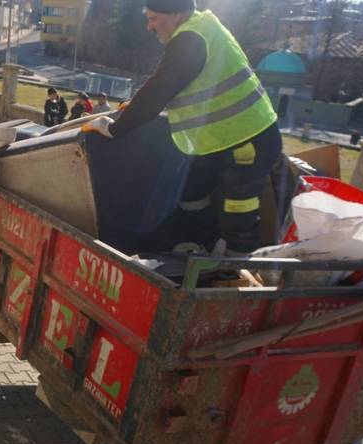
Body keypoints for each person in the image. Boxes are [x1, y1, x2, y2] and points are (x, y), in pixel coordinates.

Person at [83, 0, 281, 254]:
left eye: (153, 19)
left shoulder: (190, 40)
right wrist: (132, 107)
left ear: (175, 14)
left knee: (238, 214)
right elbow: (177, 86)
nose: (149, 27)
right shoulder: (202, 27)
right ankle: (202, 243)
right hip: (224, 141)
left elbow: (159, 90)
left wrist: (114, 128)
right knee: (192, 189)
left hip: (247, 142)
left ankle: (234, 274)